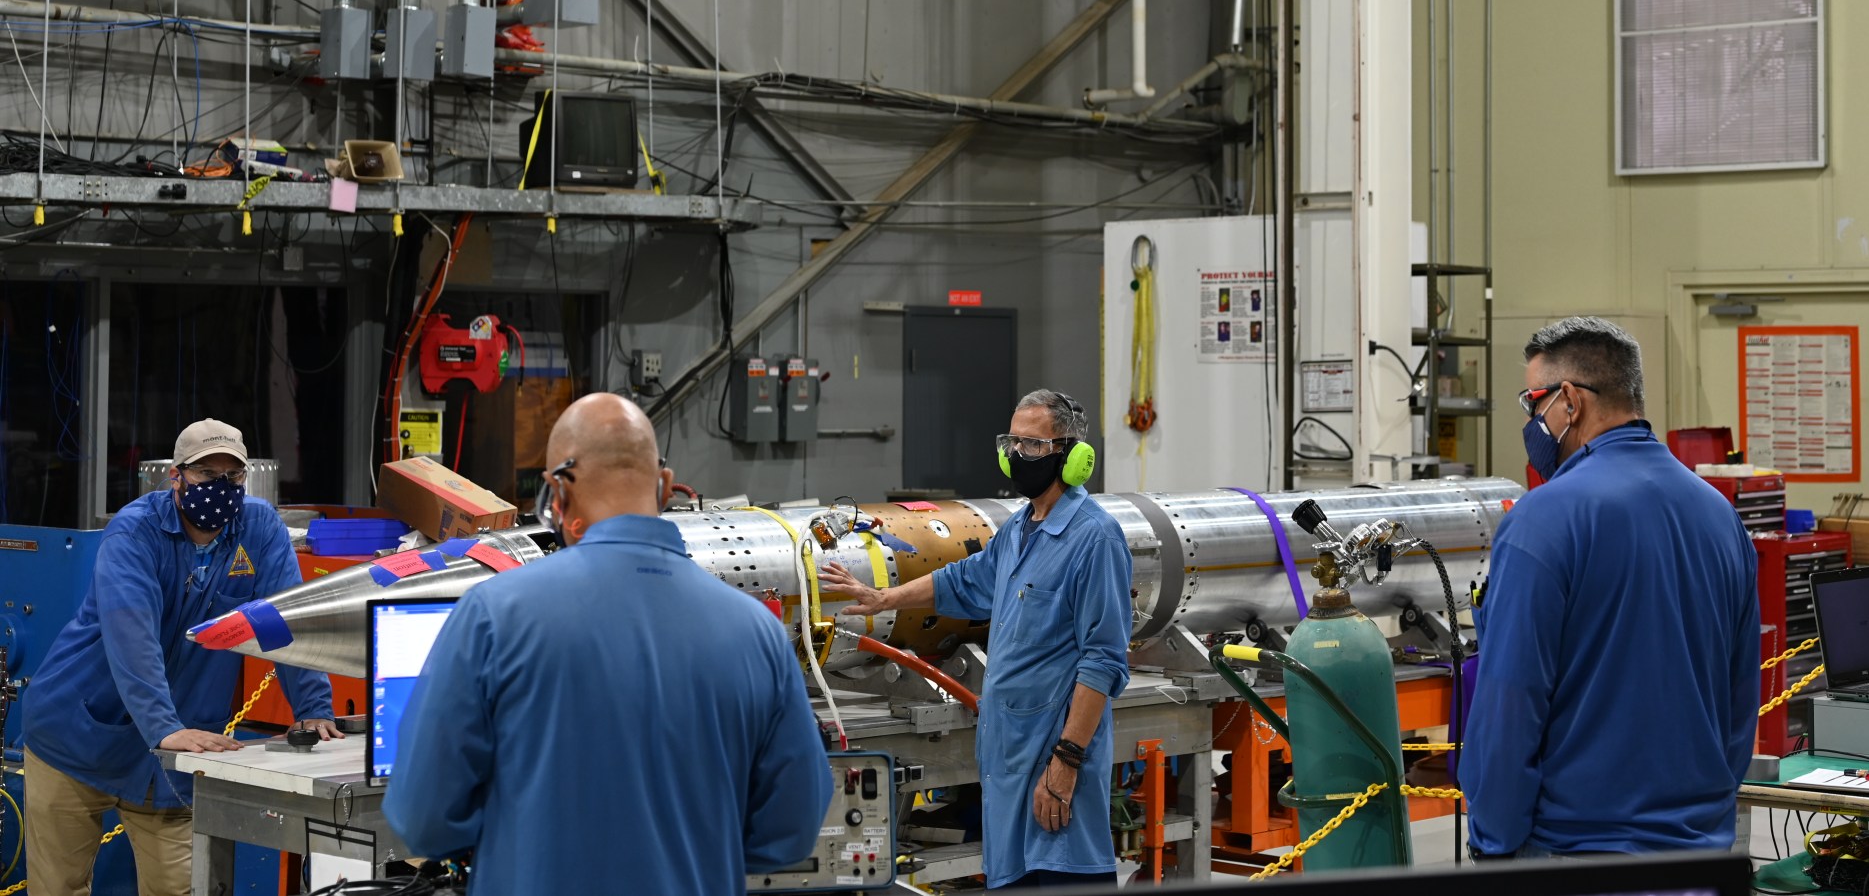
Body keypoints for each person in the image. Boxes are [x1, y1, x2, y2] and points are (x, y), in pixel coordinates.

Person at [383, 393, 833, 896]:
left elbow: (422, 818)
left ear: (556, 493)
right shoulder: (758, 634)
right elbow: (792, 830)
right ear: (664, 487)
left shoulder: (493, 615)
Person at [1463, 317, 1759, 858]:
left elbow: (1510, 705)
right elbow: (1742, 697)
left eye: (1534, 404)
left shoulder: (1543, 519)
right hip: (1699, 853)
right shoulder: (1720, 517)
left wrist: (1495, 842)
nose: (1532, 421)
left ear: (1569, 401)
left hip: (1575, 857)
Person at [822, 388, 1132, 888]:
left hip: (1053, 761)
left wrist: (1067, 762)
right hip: (1009, 762)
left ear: (1072, 457)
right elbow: (962, 581)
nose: (1017, 456)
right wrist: (884, 599)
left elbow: (1104, 662)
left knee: (1062, 875)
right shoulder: (1018, 529)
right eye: (1012, 443)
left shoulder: (1095, 538)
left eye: (1032, 446)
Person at [22, 420, 340, 896]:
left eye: (232, 476)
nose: (220, 487)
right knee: (58, 889)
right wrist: (164, 727)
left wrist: (313, 708)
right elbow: (133, 637)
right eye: (205, 473)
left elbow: (284, 621)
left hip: (177, 751)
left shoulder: (258, 528)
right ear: (176, 476)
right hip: (77, 735)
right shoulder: (134, 533)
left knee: (180, 888)